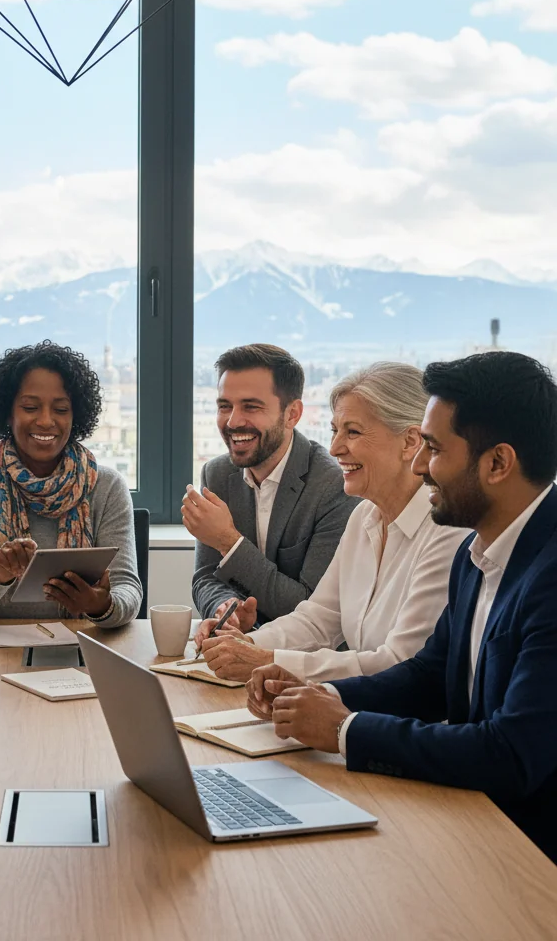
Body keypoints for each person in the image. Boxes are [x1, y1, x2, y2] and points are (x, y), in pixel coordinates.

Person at [248, 351, 557, 862]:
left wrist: (345, 729)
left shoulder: (548, 576)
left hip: (527, 852)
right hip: (473, 819)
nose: (418, 466)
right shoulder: (475, 553)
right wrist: (317, 693)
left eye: (432, 448)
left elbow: (511, 754)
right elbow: (428, 677)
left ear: (498, 463)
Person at [193, 363, 467, 682]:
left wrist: (266, 659)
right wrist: (246, 643)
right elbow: (318, 620)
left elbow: (401, 663)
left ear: (409, 443)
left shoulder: (447, 532)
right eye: (335, 430)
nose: (335, 448)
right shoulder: (364, 516)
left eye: (353, 432)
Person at [0, 341, 142, 626]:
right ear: (8, 412)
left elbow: (128, 591)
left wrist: (101, 605)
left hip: (82, 650)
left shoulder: (105, 487)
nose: (46, 421)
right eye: (31, 407)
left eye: (61, 409)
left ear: (76, 415)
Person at [184, 344, 358, 621]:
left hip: (305, 657)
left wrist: (229, 541)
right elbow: (206, 576)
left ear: (292, 414)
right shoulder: (216, 474)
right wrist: (225, 609)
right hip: (236, 648)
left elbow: (310, 609)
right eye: (224, 406)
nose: (232, 421)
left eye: (251, 407)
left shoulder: (333, 485)